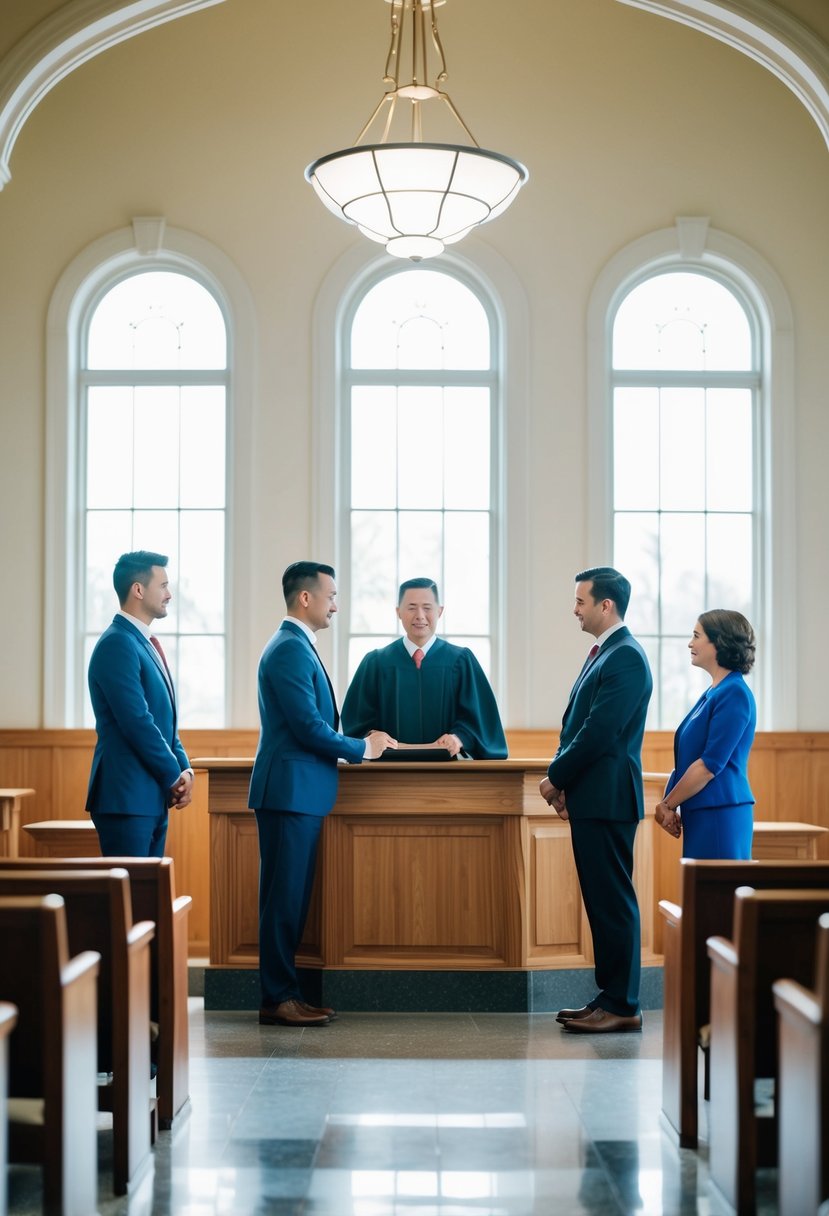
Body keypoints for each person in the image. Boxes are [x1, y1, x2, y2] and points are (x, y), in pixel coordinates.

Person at [250, 561, 396, 1028]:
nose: (337, 604)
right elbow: (309, 727)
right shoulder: (290, 650)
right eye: (331, 595)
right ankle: (277, 998)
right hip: (290, 793)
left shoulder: (298, 646)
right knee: (283, 900)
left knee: (291, 899)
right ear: (306, 598)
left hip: (301, 794)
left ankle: (286, 994)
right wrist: (363, 749)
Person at [540, 566, 653, 1034]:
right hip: (594, 798)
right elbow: (580, 725)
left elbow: (600, 734)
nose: (575, 609)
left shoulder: (625, 656)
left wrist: (556, 777)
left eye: (581, 601)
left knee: (613, 904)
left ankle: (623, 1005)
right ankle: (609, 996)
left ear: (606, 605)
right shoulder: (605, 653)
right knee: (602, 903)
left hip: (607, 799)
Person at [86, 550, 193, 856]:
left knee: (147, 899)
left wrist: (185, 770)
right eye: (163, 586)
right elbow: (136, 720)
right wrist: (173, 775)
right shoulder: (117, 643)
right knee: (129, 900)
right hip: (126, 797)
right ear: (138, 589)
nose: (169, 594)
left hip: (151, 795)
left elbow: (165, 720)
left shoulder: (142, 643)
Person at [341, 577, 508, 759]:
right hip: (387, 772)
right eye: (411, 608)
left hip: (449, 774)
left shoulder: (461, 661)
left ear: (440, 611)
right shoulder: (376, 663)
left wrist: (459, 738)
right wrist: (372, 735)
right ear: (398, 612)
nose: (420, 615)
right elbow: (356, 723)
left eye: (427, 608)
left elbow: (480, 720)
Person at [654, 610, 757, 859]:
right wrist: (670, 802)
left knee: (717, 896)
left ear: (719, 642)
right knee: (702, 895)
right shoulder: (713, 692)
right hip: (702, 813)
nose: (690, 643)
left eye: (697, 635)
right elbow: (687, 759)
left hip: (721, 813)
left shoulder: (735, 693)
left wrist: (668, 804)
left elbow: (708, 766)